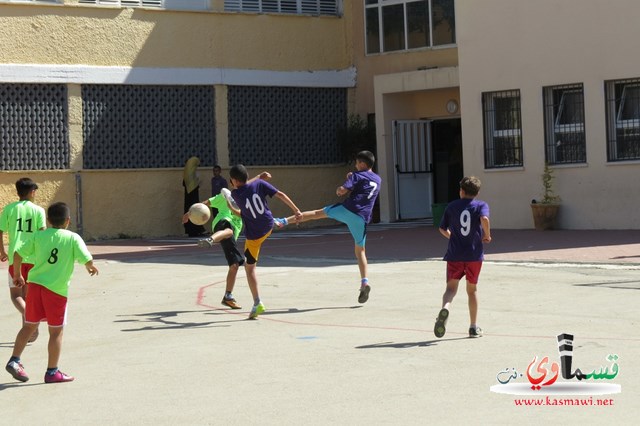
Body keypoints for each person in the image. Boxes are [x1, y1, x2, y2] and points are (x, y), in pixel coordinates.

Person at [5, 202, 99, 383]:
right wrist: (90, 266)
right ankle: (52, 372)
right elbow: (86, 258)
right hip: (56, 291)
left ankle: (15, 360)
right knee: (56, 332)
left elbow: (17, 254)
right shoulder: (72, 238)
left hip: (34, 287)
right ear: (68, 221)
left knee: (29, 325)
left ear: (47, 220)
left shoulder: (38, 236)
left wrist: (17, 275)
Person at [274, 150, 381, 304]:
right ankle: (364, 282)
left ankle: (283, 221)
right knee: (360, 250)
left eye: (357, 163)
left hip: (349, 209)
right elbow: (364, 188)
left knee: (317, 213)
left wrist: (341, 189)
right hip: (362, 218)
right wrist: (353, 179)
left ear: (362, 164)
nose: (356, 166)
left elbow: (343, 190)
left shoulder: (358, 175)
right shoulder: (377, 179)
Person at [183, 172, 271, 310]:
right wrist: (190, 213)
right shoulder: (224, 197)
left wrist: (260, 176)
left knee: (234, 265)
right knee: (228, 231)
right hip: (222, 224)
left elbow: (248, 184)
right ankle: (210, 239)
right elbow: (205, 203)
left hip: (230, 234)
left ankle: (228, 296)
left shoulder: (241, 198)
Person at [229, 164, 302, 319]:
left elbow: (241, 201)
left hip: (254, 235)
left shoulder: (236, 194)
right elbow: (280, 194)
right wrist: (296, 210)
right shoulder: (259, 184)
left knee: (250, 269)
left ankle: (257, 303)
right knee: (269, 221)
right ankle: (281, 221)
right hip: (267, 225)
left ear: (234, 181)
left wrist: (229, 205)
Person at [433, 176, 491, 339]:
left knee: (450, 289)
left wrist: (451, 235)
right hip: (474, 255)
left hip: (454, 255)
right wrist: (487, 235)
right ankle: (473, 327)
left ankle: (445, 308)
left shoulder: (451, 206)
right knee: (472, 291)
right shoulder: (481, 205)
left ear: (461, 191)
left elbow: (442, 228)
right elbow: (484, 219)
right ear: (477, 192)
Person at [0, 178, 46, 343]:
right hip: (34, 258)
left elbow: (0, 230)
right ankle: (30, 330)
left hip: (15, 259)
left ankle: (30, 318)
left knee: (15, 295)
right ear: (32, 191)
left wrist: (2, 251)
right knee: (27, 296)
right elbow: (42, 234)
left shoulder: (9, 209)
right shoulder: (39, 210)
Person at [183, 156, 206, 237]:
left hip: (188, 199)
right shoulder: (195, 175)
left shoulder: (186, 175)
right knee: (195, 211)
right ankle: (196, 230)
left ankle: (192, 231)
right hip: (193, 199)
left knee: (190, 211)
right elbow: (196, 186)